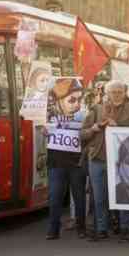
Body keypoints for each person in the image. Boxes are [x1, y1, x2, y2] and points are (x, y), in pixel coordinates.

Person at [81, 81, 129, 242]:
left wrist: (118, 127)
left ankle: (126, 229)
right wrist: (94, 128)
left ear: (125, 93)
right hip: (97, 159)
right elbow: (82, 134)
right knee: (99, 197)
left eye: (119, 92)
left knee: (123, 195)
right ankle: (102, 229)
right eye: (113, 92)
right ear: (107, 93)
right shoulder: (97, 109)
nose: (116, 95)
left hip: (122, 161)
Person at [45, 79, 87, 241]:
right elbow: (42, 130)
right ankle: (53, 229)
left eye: (79, 100)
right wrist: (44, 131)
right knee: (55, 197)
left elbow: (87, 135)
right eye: (71, 100)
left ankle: (81, 228)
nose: (76, 104)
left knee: (79, 198)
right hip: (56, 163)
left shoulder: (83, 115)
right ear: (59, 100)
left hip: (76, 163)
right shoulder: (49, 116)